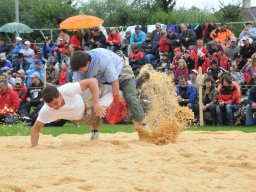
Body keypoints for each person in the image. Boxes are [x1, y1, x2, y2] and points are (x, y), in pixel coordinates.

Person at [70, 48, 146, 127]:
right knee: (95, 97)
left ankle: (144, 124)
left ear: (88, 62)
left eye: (82, 70)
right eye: (79, 71)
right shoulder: (79, 64)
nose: (81, 72)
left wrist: (116, 101)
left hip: (122, 74)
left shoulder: (103, 59)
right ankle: (94, 129)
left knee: (130, 97)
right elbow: (75, 86)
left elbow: (114, 81)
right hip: (104, 80)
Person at [30, 78, 106, 147]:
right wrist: (34, 147)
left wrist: (96, 103)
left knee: (99, 103)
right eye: (50, 105)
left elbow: (92, 81)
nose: (54, 107)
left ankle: (108, 90)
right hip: (78, 117)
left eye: (56, 103)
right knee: (90, 118)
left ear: (59, 95)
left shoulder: (66, 89)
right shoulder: (46, 110)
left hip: (84, 99)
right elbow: (35, 129)